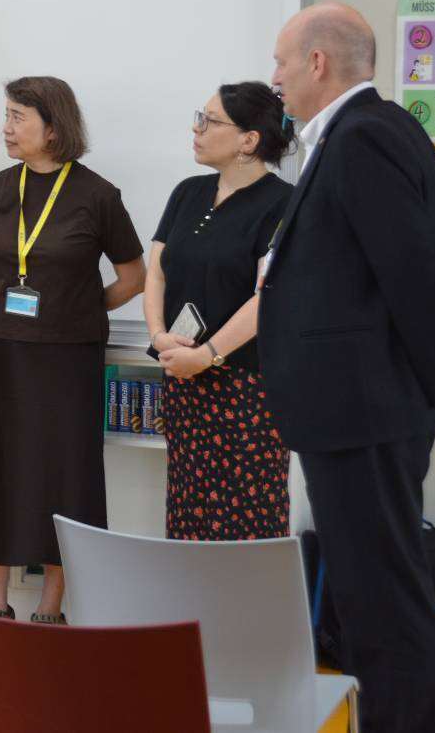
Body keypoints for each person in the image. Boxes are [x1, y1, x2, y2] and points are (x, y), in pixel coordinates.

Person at [262, 2, 435, 733]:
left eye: (280, 63)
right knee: (368, 599)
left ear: (317, 63)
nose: (275, 79)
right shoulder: (368, 132)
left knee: (383, 601)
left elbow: (420, 274)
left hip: (362, 413)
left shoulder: (362, 137)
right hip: (357, 410)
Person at [0, 76, 144, 623]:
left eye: (17, 117)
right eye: (6, 115)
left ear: (53, 127)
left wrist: (78, 308)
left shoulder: (97, 195)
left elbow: (133, 277)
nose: (5, 128)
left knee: (67, 474)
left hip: (68, 357)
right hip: (4, 352)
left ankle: (52, 606)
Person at [143, 82, 294, 541]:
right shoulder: (188, 192)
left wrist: (206, 354)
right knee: (188, 509)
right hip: (184, 380)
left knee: (244, 519)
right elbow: (157, 272)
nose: (197, 128)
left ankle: (244, 615)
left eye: (209, 120)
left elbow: (269, 296)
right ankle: (193, 613)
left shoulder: (284, 203)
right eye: (199, 116)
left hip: (247, 387)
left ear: (249, 141)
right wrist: (159, 336)